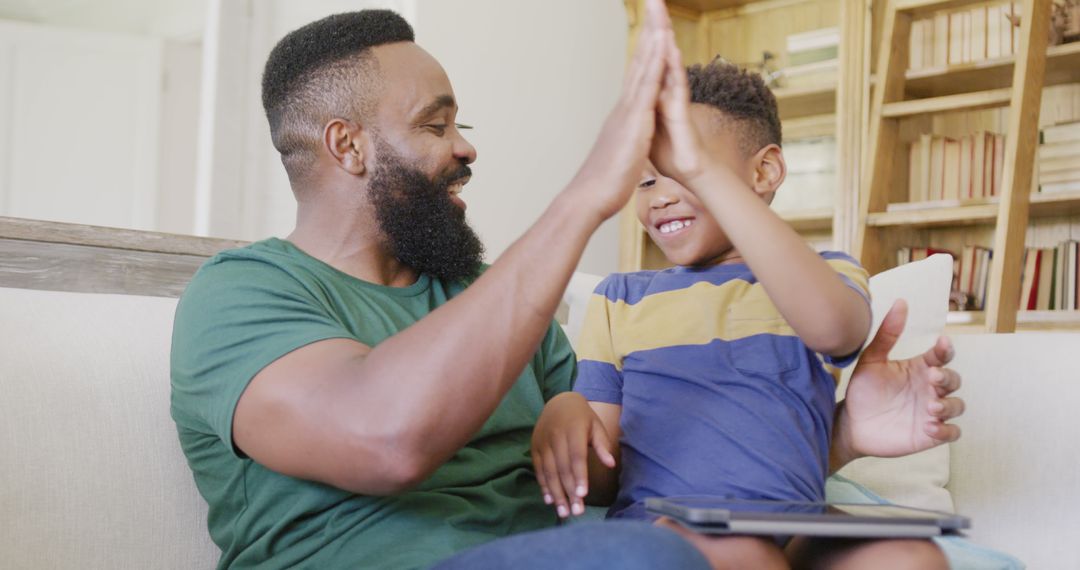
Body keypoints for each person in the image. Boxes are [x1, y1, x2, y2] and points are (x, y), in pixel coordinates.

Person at [169, 3, 962, 569]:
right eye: (436, 126)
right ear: (348, 147)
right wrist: (587, 195)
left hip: (568, 552)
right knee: (654, 557)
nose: (466, 150)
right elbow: (385, 438)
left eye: (461, 127)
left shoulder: (487, 300)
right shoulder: (242, 294)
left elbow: (625, 471)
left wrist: (836, 435)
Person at [529, 54, 961, 569]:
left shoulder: (822, 274)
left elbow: (838, 329)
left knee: (909, 555)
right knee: (740, 552)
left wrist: (707, 176)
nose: (660, 197)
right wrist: (565, 416)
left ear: (765, 170)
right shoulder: (622, 297)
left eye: (683, 169)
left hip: (795, 522)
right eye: (645, 181)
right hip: (669, 528)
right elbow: (601, 482)